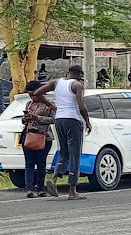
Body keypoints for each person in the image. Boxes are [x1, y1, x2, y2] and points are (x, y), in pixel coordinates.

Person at [34, 63, 92, 200]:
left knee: (64, 152)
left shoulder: (56, 82)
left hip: (59, 120)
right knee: (75, 155)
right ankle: (73, 191)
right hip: (73, 120)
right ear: (79, 74)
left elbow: (37, 93)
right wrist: (87, 121)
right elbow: (81, 106)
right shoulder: (77, 85)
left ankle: (54, 178)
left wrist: (51, 106)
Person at [21, 80, 54, 198]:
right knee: (29, 164)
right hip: (29, 135)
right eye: (30, 95)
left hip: (44, 137)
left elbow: (53, 119)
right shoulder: (29, 104)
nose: (32, 97)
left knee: (41, 164)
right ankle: (29, 189)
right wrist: (25, 119)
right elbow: (23, 120)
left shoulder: (49, 104)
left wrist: (38, 118)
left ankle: (40, 188)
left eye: (34, 94)